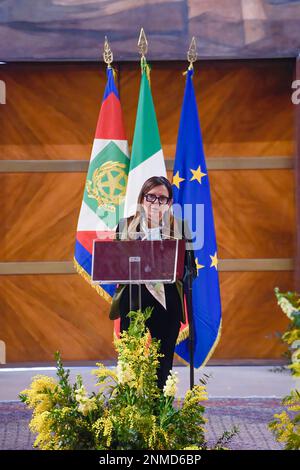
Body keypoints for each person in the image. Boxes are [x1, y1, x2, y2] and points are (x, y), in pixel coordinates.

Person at [109, 176, 196, 389]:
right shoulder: (125, 226)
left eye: (162, 199)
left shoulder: (180, 228)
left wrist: (178, 267)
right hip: (133, 301)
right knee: (130, 359)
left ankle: (158, 412)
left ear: (169, 203)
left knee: (163, 360)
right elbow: (114, 265)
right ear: (142, 199)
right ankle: (129, 409)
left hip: (168, 302)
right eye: (151, 197)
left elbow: (190, 268)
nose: (155, 203)